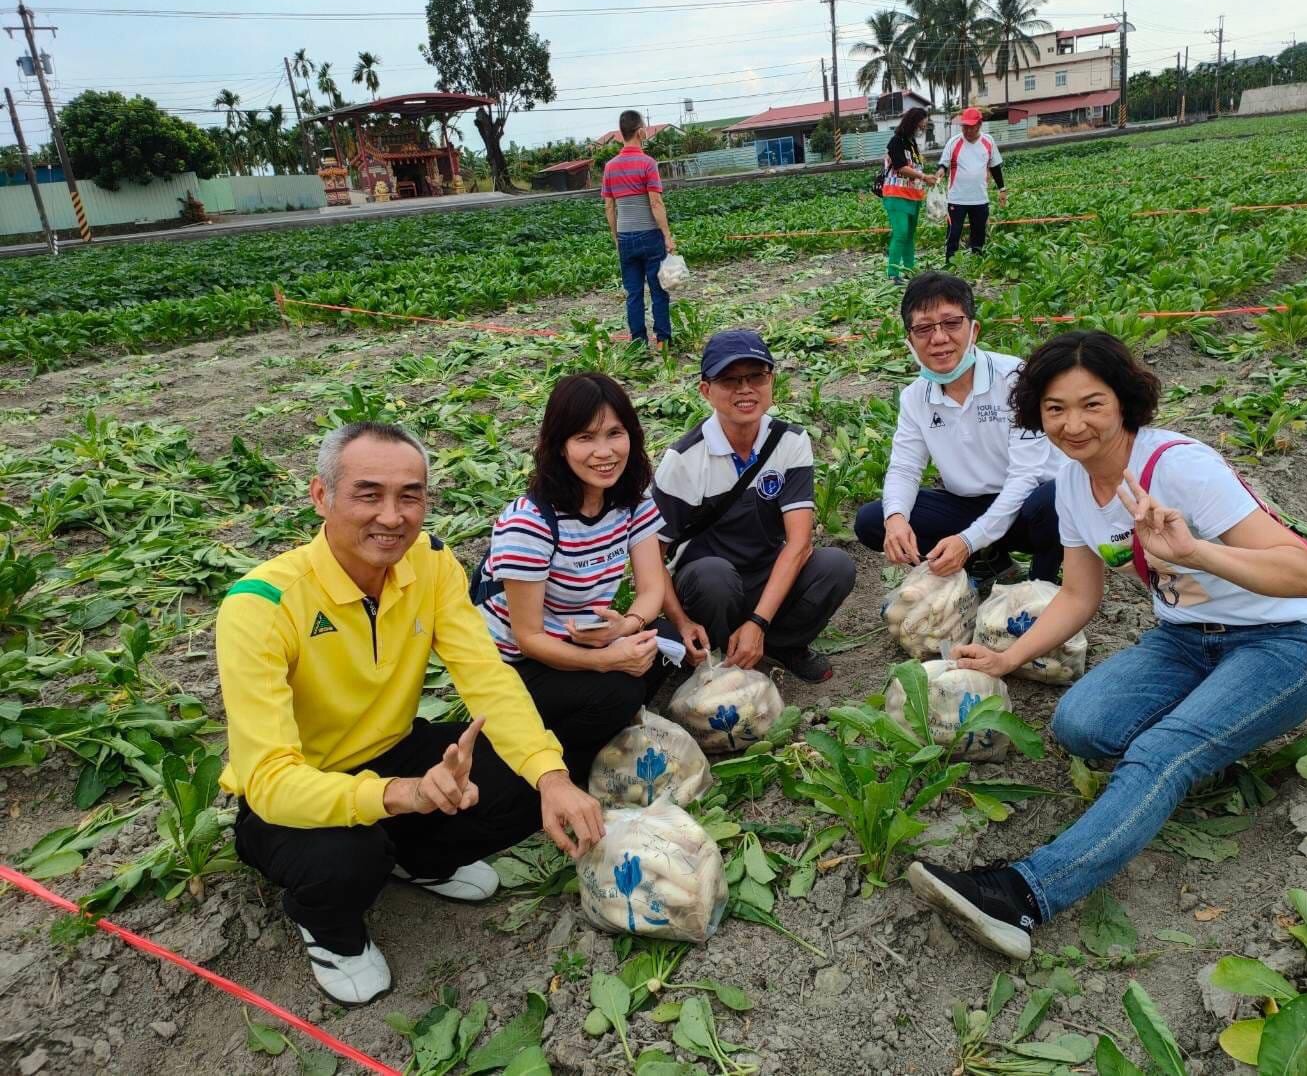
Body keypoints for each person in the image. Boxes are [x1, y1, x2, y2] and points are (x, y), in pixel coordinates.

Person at [907, 331, 1307, 960]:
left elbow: (1304, 575)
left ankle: (1024, 896)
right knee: (1081, 726)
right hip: (1187, 641)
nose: (1073, 424)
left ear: (1123, 403)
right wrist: (1006, 659)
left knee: (1165, 751)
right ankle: (1203, 736)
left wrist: (1194, 552)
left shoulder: (1180, 467)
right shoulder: (1076, 487)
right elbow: (1080, 598)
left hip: (1285, 642)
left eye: (1092, 404)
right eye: (1055, 409)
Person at [217, 422, 604, 1005]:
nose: (393, 517)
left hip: (392, 750)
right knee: (347, 853)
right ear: (321, 497)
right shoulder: (261, 606)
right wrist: (401, 795)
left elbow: (488, 679)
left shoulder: (431, 564)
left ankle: (419, 858)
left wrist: (550, 775)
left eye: (411, 496)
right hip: (296, 791)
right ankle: (331, 931)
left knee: (532, 774)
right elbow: (269, 780)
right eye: (368, 494)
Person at [477, 373, 710, 783]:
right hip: (515, 665)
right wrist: (604, 660)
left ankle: (601, 726)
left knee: (665, 638)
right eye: (585, 437)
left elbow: (652, 588)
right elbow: (528, 638)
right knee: (618, 690)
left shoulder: (631, 504)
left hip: (579, 636)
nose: (604, 452)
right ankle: (552, 765)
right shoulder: (531, 523)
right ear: (559, 446)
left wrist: (629, 626)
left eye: (614, 434)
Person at [652, 330, 856, 684]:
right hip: (707, 585)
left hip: (765, 573)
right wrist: (682, 622)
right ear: (706, 391)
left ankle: (781, 643)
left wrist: (758, 621)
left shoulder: (789, 442)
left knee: (834, 567)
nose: (745, 389)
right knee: (714, 577)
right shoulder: (684, 460)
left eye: (756, 377)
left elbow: (799, 543)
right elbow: (651, 555)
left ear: (771, 381)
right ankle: (711, 653)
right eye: (730, 380)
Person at [855, 271, 1062, 588]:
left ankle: (1041, 588)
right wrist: (895, 519)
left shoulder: (1015, 379)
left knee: (1054, 498)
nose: (938, 339)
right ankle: (984, 565)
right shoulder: (915, 398)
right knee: (873, 520)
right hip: (969, 504)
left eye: (951, 323)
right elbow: (905, 467)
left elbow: (1026, 476)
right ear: (910, 340)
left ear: (974, 329)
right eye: (923, 328)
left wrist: (967, 539)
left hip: (1028, 506)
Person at [600, 110, 676, 349]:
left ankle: (638, 345)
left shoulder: (610, 167)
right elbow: (655, 203)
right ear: (640, 131)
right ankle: (663, 341)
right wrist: (667, 235)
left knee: (633, 294)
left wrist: (616, 236)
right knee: (658, 290)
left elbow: (609, 207)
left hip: (625, 236)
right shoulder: (647, 163)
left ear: (621, 133)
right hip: (650, 235)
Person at [937, 107, 1005, 262]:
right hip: (957, 199)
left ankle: (976, 263)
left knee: (979, 234)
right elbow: (944, 163)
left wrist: (1002, 189)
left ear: (979, 125)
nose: (967, 130)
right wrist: (941, 170)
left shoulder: (988, 141)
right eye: (964, 127)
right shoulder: (954, 142)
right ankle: (950, 263)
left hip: (980, 199)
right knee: (953, 234)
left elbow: (995, 166)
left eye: (970, 127)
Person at [881, 106, 937, 284]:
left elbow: (914, 166)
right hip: (896, 195)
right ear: (912, 123)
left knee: (910, 234)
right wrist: (922, 176)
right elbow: (901, 167)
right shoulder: (896, 141)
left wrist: (927, 177)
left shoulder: (912, 143)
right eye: (920, 126)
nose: (921, 130)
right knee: (901, 233)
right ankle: (893, 272)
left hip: (913, 195)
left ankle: (909, 269)